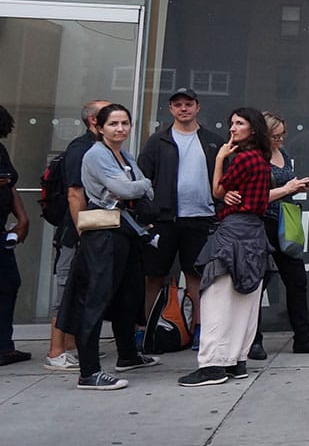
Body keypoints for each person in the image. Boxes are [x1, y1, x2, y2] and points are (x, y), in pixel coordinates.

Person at [57, 103, 159, 389]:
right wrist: (141, 184)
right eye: (113, 124)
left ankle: (127, 355)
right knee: (95, 298)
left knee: (129, 294)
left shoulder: (124, 154)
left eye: (125, 123)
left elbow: (139, 188)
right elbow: (129, 188)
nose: (120, 129)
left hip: (124, 230)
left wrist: (138, 185)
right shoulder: (95, 154)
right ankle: (89, 372)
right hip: (102, 233)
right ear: (99, 127)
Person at [179, 108, 276, 386]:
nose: (232, 128)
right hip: (255, 234)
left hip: (233, 231)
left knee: (217, 299)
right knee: (244, 303)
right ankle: (236, 361)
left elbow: (217, 191)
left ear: (253, 129)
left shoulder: (243, 158)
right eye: (232, 123)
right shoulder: (261, 159)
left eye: (239, 123)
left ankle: (212, 366)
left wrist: (220, 158)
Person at [138, 88, 223, 350]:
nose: (183, 109)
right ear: (170, 109)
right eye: (178, 105)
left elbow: (224, 180)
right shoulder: (157, 141)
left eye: (188, 104)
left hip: (201, 218)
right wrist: (148, 214)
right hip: (164, 220)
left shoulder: (212, 141)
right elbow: (142, 180)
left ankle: (199, 329)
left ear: (197, 107)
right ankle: (147, 329)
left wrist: (219, 210)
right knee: (154, 275)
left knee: (196, 276)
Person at [248, 112, 309, 357]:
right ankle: (253, 340)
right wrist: (287, 188)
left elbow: (283, 188)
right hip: (261, 222)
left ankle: (303, 337)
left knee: (297, 281)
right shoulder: (253, 157)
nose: (280, 140)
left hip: (285, 220)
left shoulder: (282, 154)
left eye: (282, 135)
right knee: (258, 283)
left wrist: (296, 188)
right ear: (263, 134)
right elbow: (254, 197)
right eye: (275, 136)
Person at [42, 100, 108, 371]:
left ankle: (71, 346)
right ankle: (56, 351)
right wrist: (82, 229)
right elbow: (74, 193)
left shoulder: (99, 148)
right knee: (66, 288)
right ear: (94, 121)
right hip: (75, 232)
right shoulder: (81, 149)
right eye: (109, 116)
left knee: (79, 288)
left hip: (89, 228)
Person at [0, 105, 32, 365]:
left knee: (9, 283)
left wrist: (22, 218)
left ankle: (4, 346)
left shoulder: (0, 151)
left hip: (2, 231)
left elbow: (10, 186)